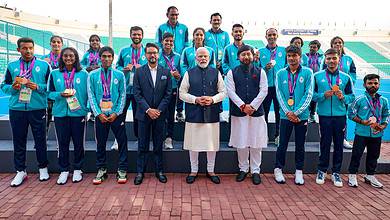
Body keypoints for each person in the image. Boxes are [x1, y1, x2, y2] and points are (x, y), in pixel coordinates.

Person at [1, 37, 51, 187]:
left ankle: (43, 167)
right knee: (18, 139)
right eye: (24, 48)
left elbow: (49, 87)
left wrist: (38, 87)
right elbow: (4, 86)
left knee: (40, 139)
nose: (28, 51)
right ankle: (20, 171)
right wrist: (12, 88)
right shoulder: (12, 66)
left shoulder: (44, 65)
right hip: (17, 108)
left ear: (34, 48)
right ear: (19, 50)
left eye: (30, 48)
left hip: (37, 108)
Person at [179, 47, 226, 184]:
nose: (203, 59)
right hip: (194, 113)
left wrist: (212, 99)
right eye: (200, 56)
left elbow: (223, 92)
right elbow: (182, 93)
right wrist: (195, 99)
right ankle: (194, 171)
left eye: (205, 56)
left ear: (209, 57)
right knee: (194, 145)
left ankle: (211, 170)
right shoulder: (189, 73)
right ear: (196, 58)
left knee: (211, 145)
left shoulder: (216, 72)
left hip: (211, 113)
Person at [226, 45, 268, 185]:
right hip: (239, 112)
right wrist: (243, 106)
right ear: (238, 57)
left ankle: (256, 170)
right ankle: (243, 169)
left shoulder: (260, 72)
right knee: (241, 142)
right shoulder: (232, 72)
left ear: (253, 56)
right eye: (243, 54)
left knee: (256, 143)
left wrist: (253, 106)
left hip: (256, 113)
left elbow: (264, 91)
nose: (246, 57)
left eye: (248, 54)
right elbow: (230, 92)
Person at [313, 48, 355, 187]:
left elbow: (352, 97)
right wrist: (322, 96)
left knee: (338, 145)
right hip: (324, 116)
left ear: (338, 59)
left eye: (334, 58)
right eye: (329, 58)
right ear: (325, 60)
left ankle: (336, 172)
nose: (331, 61)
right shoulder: (317, 76)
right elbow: (311, 95)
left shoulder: (345, 77)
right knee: (324, 143)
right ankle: (322, 170)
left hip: (340, 116)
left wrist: (344, 98)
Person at [87, 46, 128, 185]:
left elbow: (123, 94)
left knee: (122, 142)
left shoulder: (119, 74)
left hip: (116, 114)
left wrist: (117, 112)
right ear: (99, 58)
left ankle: (122, 169)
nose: (106, 59)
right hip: (101, 116)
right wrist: (98, 113)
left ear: (113, 58)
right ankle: (101, 169)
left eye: (109, 56)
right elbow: (91, 94)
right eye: (104, 56)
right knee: (101, 143)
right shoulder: (92, 75)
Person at [273, 45, 313, 185]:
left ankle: (299, 171)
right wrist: (288, 113)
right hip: (285, 116)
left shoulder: (308, 73)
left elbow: (308, 95)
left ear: (300, 57)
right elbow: (279, 94)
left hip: (301, 116)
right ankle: (278, 169)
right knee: (282, 144)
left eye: (294, 55)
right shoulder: (280, 73)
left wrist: (296, 112)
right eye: (289, 56)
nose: (291, 58)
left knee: (300, 145)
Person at [48, 47, 88, 185]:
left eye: (71, 56)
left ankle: (78, 169)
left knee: (78, 143)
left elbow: (89, 94)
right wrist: (60, 95)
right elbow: (49, 93)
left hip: (78, 113)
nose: (68, 58)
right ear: (61, 58)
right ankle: (64, 170)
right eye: (65, 56)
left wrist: (86, 109)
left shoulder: (84, 74)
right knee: (62, 143)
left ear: (76, 57)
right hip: (60, 113)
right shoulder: (54, 73)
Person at [133, 43, 172, 185]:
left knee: (158, 145)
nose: (152, 55)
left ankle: (159, 171)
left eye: (155, 53)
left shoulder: (166, 72)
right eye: (149, 53)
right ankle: (140, 172)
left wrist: (158, 110)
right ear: (145, 55)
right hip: (144, 115)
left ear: (158, 54)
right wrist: (148, 110)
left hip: (160, 115)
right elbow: (136, 94)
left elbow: (168, 95)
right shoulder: (139, 72)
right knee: (142, 145)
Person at [348, 74, 389, 188]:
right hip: (361, 133)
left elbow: (386, 114)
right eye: (370, 83)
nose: (373, 85)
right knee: (357, 155)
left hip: (377, 133)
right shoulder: (360, 100)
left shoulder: (384, 101)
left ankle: (370, 175)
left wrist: (384, 124)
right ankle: (352, 175)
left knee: (374, 155)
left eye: (375, 83)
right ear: (364, 84)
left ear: (379, 84)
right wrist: (362, 122)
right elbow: (351, 114)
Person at [115, 26, 147, 150]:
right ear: (130, 35)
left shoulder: (146, 52)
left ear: (142, 36)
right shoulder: (123, 50)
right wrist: (123, 69)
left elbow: (151, 69)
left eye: (139, 34)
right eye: (134, 34)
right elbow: (117, 67)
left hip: (140, 91)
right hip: (125, 90)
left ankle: (139, 140)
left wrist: (142, 68)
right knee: (120, 115)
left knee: (138, 117)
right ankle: (118, 141)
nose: (136, 37)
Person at [155, 6, 189, 122]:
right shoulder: (161, 28)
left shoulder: (184, 28)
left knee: (180, 86)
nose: (174, 17)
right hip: (165, 57)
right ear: (167, 15)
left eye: (176, 15)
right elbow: (158, 43)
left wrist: (179, 56)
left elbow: (186, 44)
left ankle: (179, 111)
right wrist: (162, 53)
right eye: (172, 14)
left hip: (177, 59)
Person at [327, 36, 357, 149]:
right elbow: (322, 72)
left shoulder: (348, 59)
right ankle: (328, 139)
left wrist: (350, 82)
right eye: (335, 43)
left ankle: (343, 138)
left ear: (343, 45)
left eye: (340, 43)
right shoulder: (328, 58)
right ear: (332, 45)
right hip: (330, 90)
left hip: (343, 92)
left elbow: (353, 73)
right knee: (327, 115)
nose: (338, 45)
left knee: (343, 114)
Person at [259, 28, 286, 145]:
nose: (271, 37)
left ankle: (278, 135)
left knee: (279, 112)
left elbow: (287, 67)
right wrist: (265, 68)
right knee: (263, 111)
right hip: (266, 86)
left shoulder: (283, 51)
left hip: (280, 87)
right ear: (266, 37)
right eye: (269, 35)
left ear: (277, 36)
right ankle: (263, 136)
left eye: (274, 34)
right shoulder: (260, 52)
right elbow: (256, 69)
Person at [158, 33, 181, 149]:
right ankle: (159, 137)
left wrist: (178, 76)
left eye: (171, 41)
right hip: (159, 89)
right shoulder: (158, 56)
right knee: (160, 113)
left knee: (171, 114)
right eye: (166, 41)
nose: (169, 43)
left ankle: (169, 138)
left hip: (172, 89)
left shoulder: (178, 56)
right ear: (162, 42)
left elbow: (181, 74)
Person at [42, 35, 63, 131]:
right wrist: (45, 63)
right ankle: (44, 137)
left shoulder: (66, 58)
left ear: (62, 44)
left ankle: (66, 138)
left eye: (58, 42)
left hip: (62, 90)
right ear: (50, 44)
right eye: (54, 42)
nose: (56, 44)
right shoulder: (44, 59)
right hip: (49, 90)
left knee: (64, 114)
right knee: (47, 115)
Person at [306, 40, 324, 123]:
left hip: (317, 80)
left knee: (314, 97)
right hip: (306, 79)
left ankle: (312, 114)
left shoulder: (322, 57)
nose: (312, 48)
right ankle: (305, 112)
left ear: (318, 48)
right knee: (305, 96)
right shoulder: (304, 56)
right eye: (311, 47)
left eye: (314, 47)